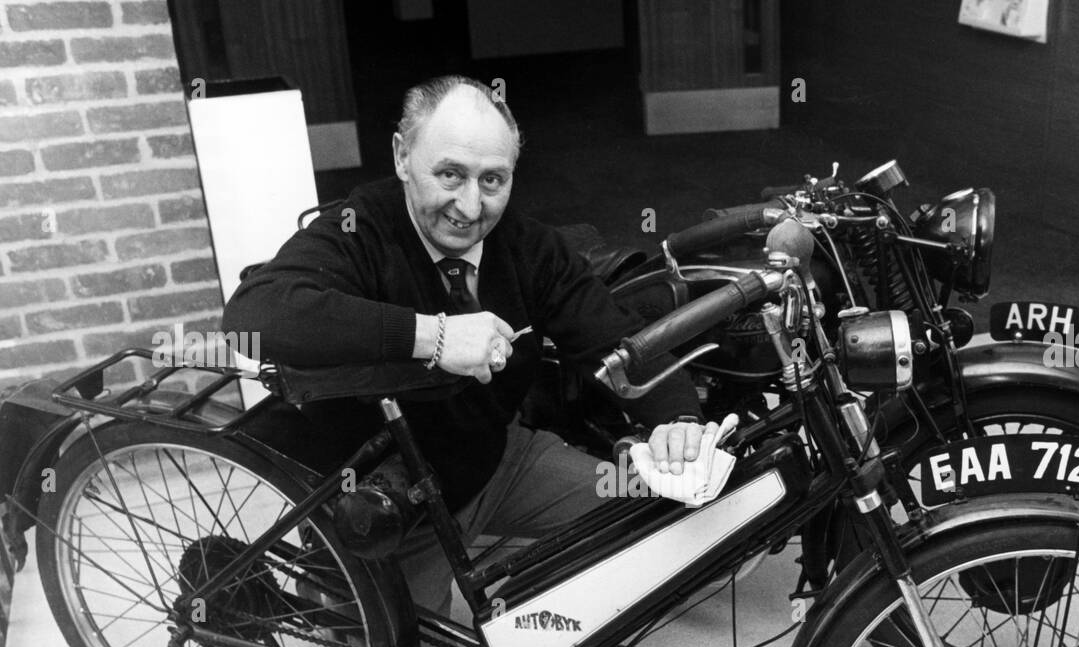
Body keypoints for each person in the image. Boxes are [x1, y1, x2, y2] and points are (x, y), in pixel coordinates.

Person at [223, 75, 712, 613]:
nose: (470, 206)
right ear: (402, 156)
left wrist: (677, 420)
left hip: (498, 459)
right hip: (398, 499)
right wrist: (431, 335)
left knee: (663, 521)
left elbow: (614, 338)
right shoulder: (359, 228)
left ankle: (528, 632)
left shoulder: (528, 248)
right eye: (450, 174)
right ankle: (325, 590)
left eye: (493, 180)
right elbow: (256, 312)